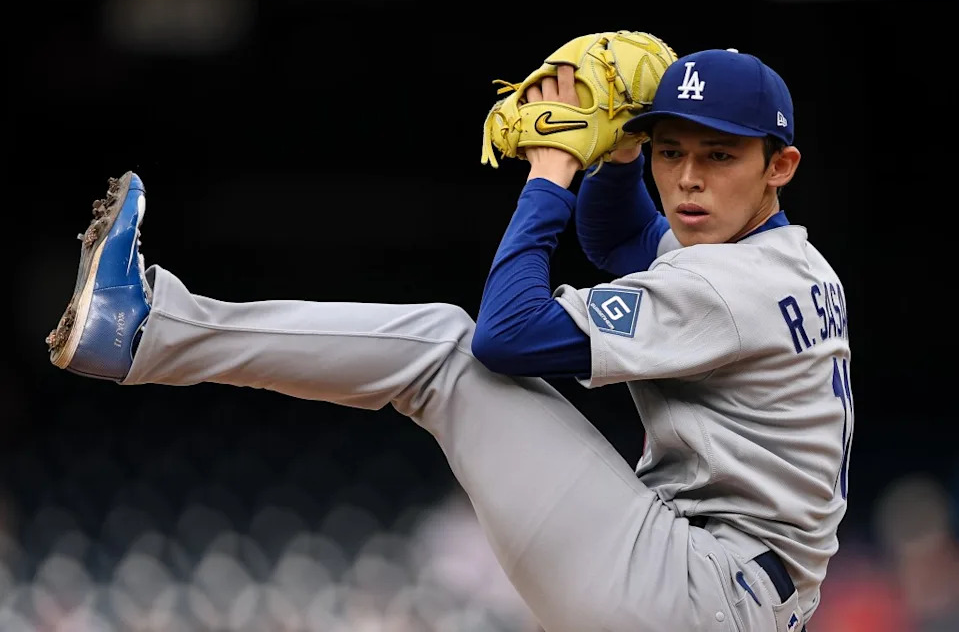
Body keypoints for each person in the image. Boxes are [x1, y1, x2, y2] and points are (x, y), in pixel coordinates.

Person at [45, 46, 850, 632]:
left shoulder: (727, 283)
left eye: (718, 155)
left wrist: (550, 172)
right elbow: (626, 245)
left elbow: (505, 336)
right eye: (669, 152)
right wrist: (618, 156)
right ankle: (147, 329)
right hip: (723, 593)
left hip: (695, 590)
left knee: (443, 351)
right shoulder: (781, 260)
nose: (686, 179)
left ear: (779, 165)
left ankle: (143, 327)